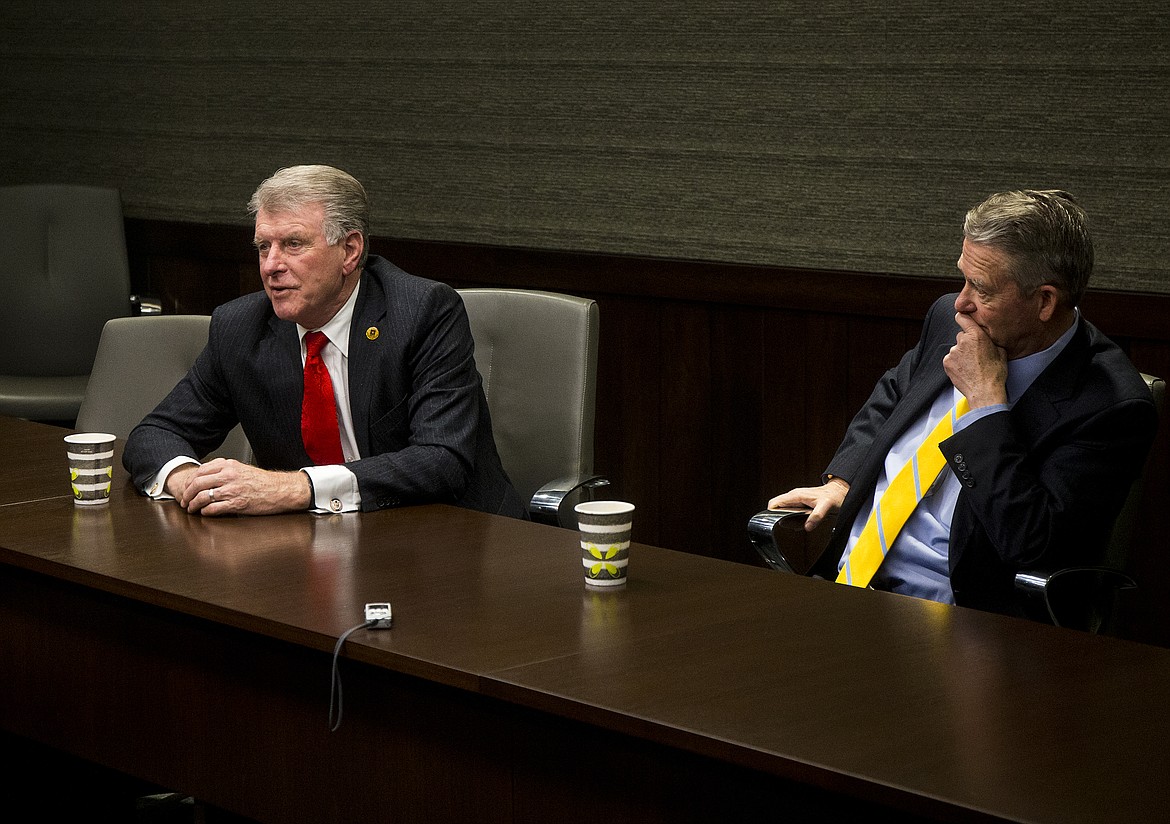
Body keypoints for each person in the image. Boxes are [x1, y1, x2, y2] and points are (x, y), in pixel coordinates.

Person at [767, 189, 1158, 615]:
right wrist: (844, 480)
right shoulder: (950, 318)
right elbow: (895, 393)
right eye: (963, 277)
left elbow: (1031, 543)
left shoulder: (1111, 406)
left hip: (958, 618)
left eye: (982, 288)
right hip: (845, 585)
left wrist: (987, 403)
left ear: (1045, 301)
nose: (961, 302)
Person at [124, 164, 527, 519]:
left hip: (451, 539)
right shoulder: (241, 326)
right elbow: (153, 435)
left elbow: (442, 461)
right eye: (264, 246)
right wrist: (188, 481)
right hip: (319, 548)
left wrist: (294, 488)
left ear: (350, 251)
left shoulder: (422, 313)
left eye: (293, 244)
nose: (271, 266)